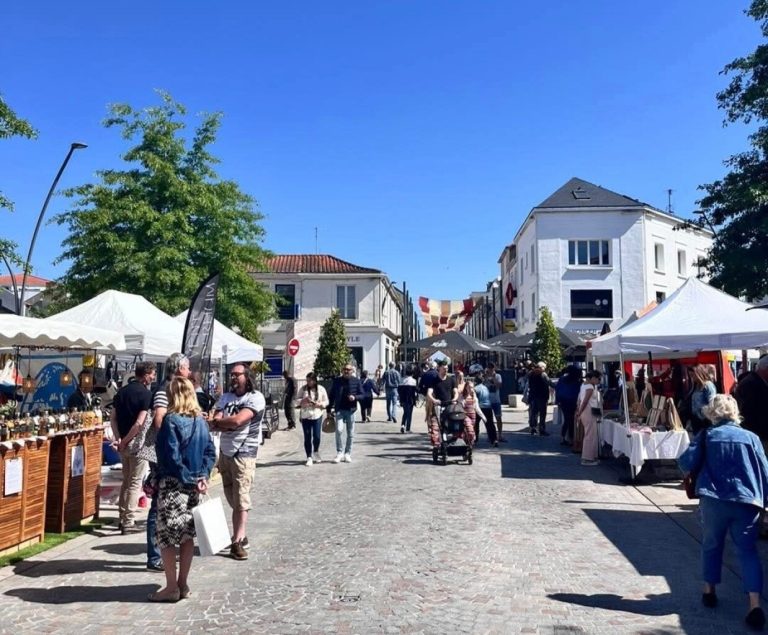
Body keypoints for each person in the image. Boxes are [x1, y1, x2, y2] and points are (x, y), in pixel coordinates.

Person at [678, 394, 768, 631]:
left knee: (711, 544)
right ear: (735, 413)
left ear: (712, 413)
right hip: (747, 501)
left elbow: (685, 463)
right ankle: (754, 604)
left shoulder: (707, 435)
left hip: (715, 499)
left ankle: (709, 590)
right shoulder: (752, 438)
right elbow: (765, 471)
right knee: (748, 551)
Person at [148, 377, 216, 603]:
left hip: (173, 485)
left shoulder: (171, 420)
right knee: (187, 536)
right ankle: (183, 584)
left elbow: (172, 456)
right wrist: (202, 476)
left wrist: (187, 478)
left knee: (166, 537)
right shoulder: (200, 421)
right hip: (194, 486)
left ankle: (171, 587)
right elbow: (210, 452)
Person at [211, 363, 265, 561]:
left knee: (241, 497)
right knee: (232, 497)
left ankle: (238, 541)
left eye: (237, 375)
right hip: (225, 452)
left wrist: (221, 423)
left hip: (244, 453)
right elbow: (215, 420)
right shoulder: (226, 397)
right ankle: (241, 534)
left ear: (247, 377)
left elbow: (238, 421)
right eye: (232, 375)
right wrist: (220, 422)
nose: (233, 378)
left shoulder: (255, 397)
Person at [146, 353, 191, 572]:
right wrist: (176, 432)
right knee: (158, 504)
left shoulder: (173, 389)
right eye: (187, 368)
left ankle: (167, 552)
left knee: (169, 504)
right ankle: (155, 555)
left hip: (170, 453)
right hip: (163, 455)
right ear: (179, 368)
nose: (189, 372)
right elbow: (158, 421)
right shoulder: (164, 390)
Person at [111, 361, 157, 535]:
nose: (153, 377)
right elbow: (139, 423)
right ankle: (128, 520)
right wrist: (126, 440)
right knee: (135, 482)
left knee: (126, 479)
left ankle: (122, 516)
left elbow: (113, 418)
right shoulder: (146, 395)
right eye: (152, 374)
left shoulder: (121, 392)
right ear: (146, 375)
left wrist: (119, 439)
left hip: (123, 442)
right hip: (137, 443)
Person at [328, 364, 364, 463]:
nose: (346, 371)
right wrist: (328, 409)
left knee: (350, 433)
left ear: (352, 371)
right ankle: (339, 452)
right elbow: (331, 395)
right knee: (339, 431)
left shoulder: (356, 381)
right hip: (339, 409)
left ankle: (347, 453)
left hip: (351, 410)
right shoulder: (337, 381)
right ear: (342, 370)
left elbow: (362, 395)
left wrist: (355, 397)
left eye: (348, 369)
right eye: (344, 369)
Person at [735, 355, 768, 447]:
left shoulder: (757, 381)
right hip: (757, 435)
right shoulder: (750, 384)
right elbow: (748, 412)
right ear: (766, 368)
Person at [297, 372, 329, 465]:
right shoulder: (303, 389)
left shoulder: (321, 389)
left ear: (314, 380)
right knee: (307, 436)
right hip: (306, 415)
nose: (308, 382)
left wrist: (321, 404)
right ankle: (309, 456)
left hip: (317, 414)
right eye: (307, 381)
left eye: (310, 381)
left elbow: (326, 401)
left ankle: (316, 451)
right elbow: (296, 400)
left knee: (317, 436)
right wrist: (303, 401)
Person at [426, 361, 458, 447]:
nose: (446, 370)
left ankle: (451, 440)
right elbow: (429, 393)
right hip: (438, 406)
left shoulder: (451, 379)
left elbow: (455, 392)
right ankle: (437, 443)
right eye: (444, 368)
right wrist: (434, 400)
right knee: (438, 425)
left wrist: (454, 399)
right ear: (439, 368)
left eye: (447, 368)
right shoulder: (434, 380)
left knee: (452, 423)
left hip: (450, 406)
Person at [575, 370, 602, 466]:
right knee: (590, 435)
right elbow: (585, 401)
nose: (599, 381)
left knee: (590, 434)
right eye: (598, 379)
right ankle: (587, 458)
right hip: (588, 411)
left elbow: (580, 400)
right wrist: (579, 412)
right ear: (593, 378)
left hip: (586, 411)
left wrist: (579, 411)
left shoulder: (583, 385)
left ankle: (591, 456)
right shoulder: (590, 387)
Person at [555, 366, 582, 446]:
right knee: (571, 420)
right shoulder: (577, 381)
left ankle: (564, 437)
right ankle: (571, 438)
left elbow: (558, 389)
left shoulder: (562, 379)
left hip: (563, 402)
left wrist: (558, 400)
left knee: (567, 420)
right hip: (573, 401)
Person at [689, 364, 717, 434]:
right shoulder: (696, 386)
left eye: (692, 375)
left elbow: (712, 402)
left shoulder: (708, 385)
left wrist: (704, 414)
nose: (692, 378)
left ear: (698, 373)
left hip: (705, 420)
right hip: (696, 419)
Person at [527, 362, 551, 436]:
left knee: (534, 413)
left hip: (533, 396)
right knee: (542, 413)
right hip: (542, 396)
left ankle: (533, 428)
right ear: (542, 367)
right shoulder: (543, 374)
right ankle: (542, 429)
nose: (545, 369)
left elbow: (529, 384)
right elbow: (549, 382)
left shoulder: (531, 374)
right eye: (544, 367)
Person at [474, 373, 498, 446]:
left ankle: (475, 439)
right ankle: (494, 439)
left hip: (479, 408)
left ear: (475, 381)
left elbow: (475, 400)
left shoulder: (475, 389)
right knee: (490, 424)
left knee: (476, 424)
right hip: (488, 407)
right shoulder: (486, 387)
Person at [485, 363, 505, 441]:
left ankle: (500, 435)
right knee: (488, 420)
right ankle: (490, 435)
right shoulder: (485, 376)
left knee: (498, 418)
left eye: (492, 368)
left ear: (494, 368)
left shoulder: (498, 376)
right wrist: (485, 377)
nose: (490, 369)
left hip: (496, 400)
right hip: (487, 401)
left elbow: (498, 386)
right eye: (489, 368)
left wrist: (493, 378)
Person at [397, 367, 418, 433]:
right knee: (409, 414)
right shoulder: (414, 381)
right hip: (410, 399)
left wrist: (400, 399)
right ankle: (408, 428)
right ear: (412, 373)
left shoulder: (401, 380)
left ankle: (403, 425)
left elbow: (399, 391)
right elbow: (416, 391)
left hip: (403, 399)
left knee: (405, 412)